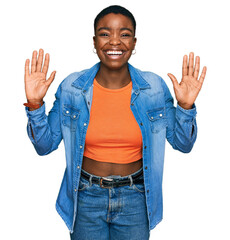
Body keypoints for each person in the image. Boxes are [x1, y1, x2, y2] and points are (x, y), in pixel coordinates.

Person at [24, 5, 207, 240]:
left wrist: (185, 107)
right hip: (85, 198)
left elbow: (183, 144)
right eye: (105, 33)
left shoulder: (153, 88)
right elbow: (44, 146)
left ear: (134, 42)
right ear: (94, 41)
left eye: (124, 34)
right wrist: (35, 103)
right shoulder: (72, 88)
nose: (114, 42)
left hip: (136, 199)